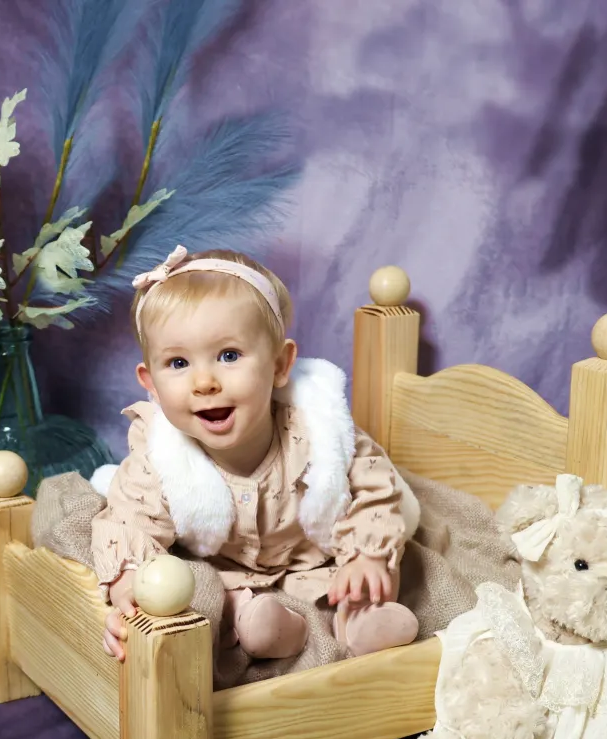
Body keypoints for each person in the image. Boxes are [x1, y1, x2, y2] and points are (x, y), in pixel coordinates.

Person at [91, 244, 419, 663]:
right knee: (207, 599)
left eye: (228, 356)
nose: (204, 382)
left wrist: (367, 555)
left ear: (279, 365)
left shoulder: (318, 430)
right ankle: (271, 630)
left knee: (366, 580)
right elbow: (128, 521)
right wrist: (129, 588)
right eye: (177, 363)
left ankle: (359, 621)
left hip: (317, 566)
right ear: (151, 383)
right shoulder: (161, 456)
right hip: (228, 574)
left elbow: (374, 486)